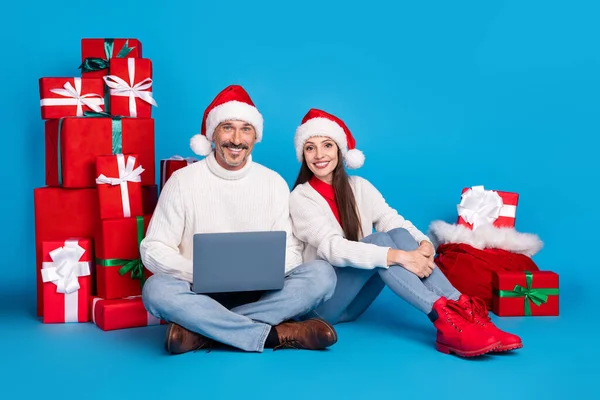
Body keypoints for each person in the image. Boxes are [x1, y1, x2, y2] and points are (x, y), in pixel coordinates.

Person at [288, 108, 522, 357]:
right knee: (380, 242)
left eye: (327, 145)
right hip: (322, 309)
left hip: (354, 304)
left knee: (397, 232)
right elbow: (333, 249)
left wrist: (424, 245)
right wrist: (399, 256)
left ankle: (463, 310)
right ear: (303, 154)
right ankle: (444, 320)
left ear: (339, 151)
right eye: (310, 147)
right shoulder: (301, 198)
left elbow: (391, 219)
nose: (319, 155)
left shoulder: (359, 187)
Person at [140, 87, 338, 355]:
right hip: (198, 293)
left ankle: (202, 330)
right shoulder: (182, 182)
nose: (236, 139)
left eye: (245, 129)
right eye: (227, 128)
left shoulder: (273, 183)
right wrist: (199, 274)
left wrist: (260, 275)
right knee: (155, 290)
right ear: (212, 135)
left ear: (255, 136)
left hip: (261, 294)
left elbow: (291, 251)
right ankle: (277, 334)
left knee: (322, 275)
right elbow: (153, 248)